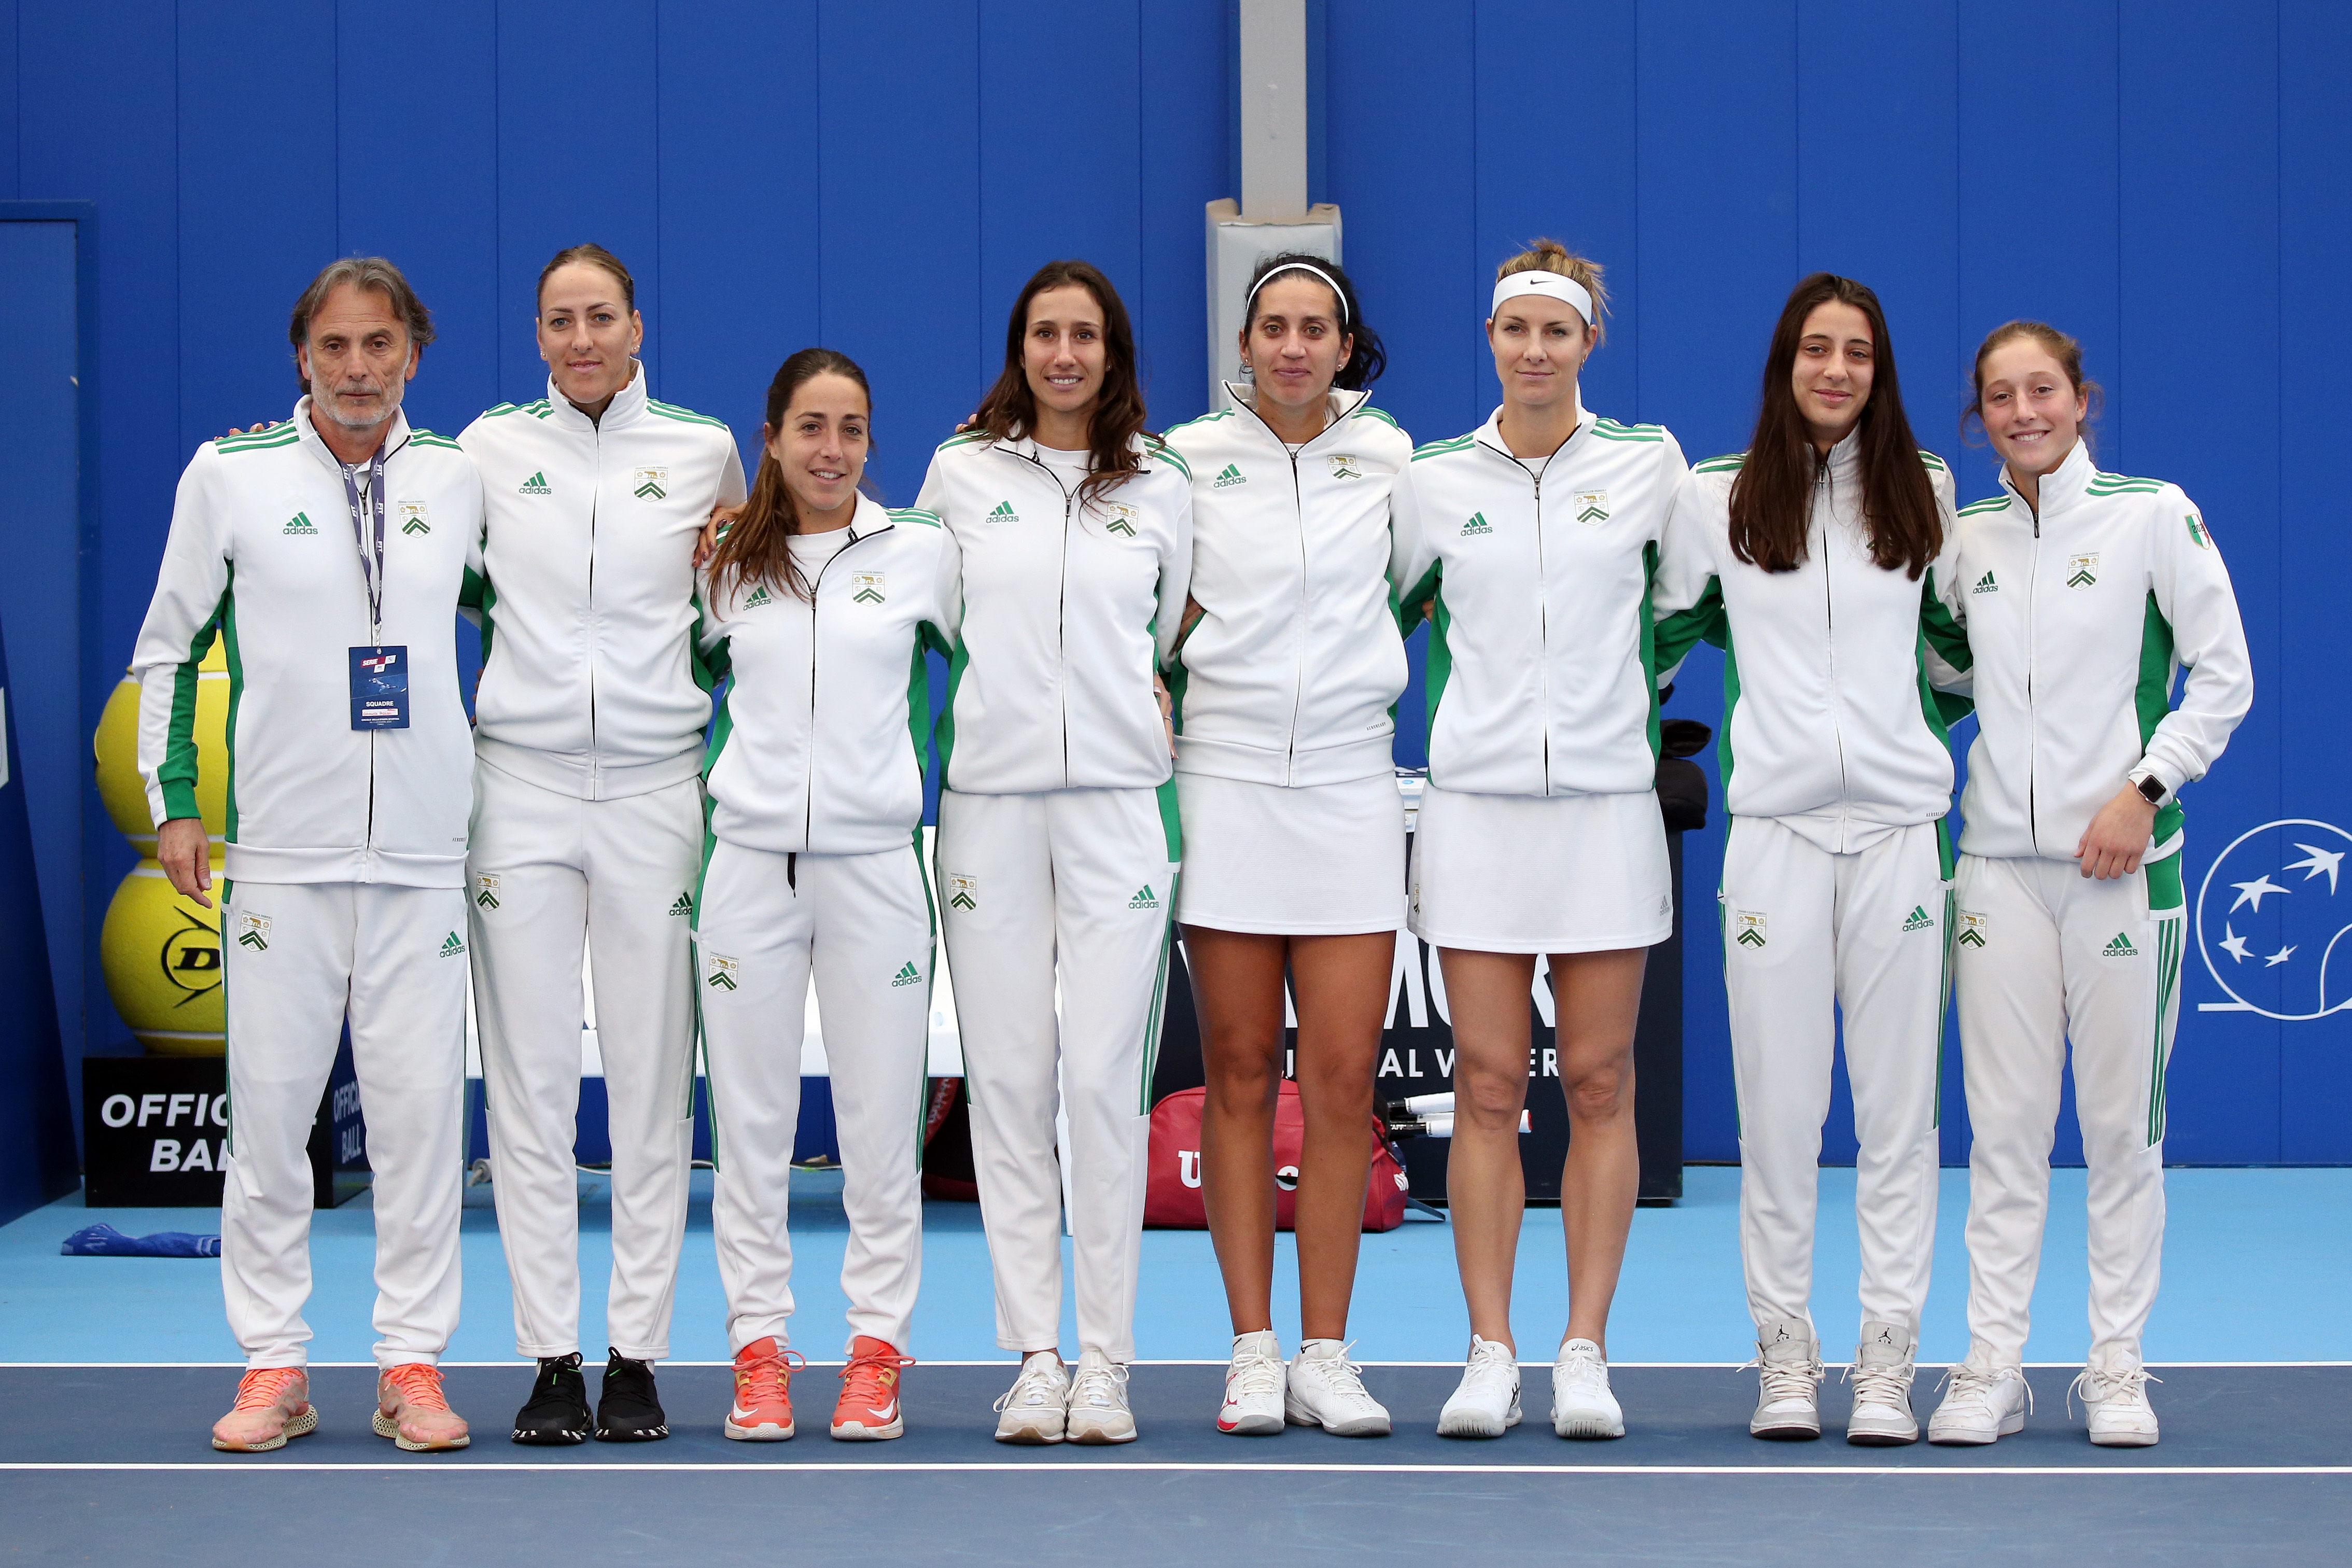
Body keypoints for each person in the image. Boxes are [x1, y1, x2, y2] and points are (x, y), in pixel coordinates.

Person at [135, 257, 483, 1453]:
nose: (356, 368)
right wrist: (174, 798)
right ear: (302, 357)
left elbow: (560, 613)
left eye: (378, 344)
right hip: (279, 853)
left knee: (421, 1124)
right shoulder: (227, 476)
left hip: (426, 856)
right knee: (272, 1120)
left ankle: (412, 1366)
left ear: (412, 356)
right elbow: (168, 644)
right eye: (334, 346)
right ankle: (274, 1366)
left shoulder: (459, 479)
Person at [1652, 272, 1967, 1445]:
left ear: (1881, 375)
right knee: (1780, 1118)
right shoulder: (1716, 499)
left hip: (1898, 840)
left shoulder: (1924, 492)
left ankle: (1887, 1362)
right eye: (1817, 350)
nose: (1837, 371)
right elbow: (1653, 640)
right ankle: (1786, 1355)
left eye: (1861, 355)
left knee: (1898, 1119)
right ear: (1785, 362)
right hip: (1776, 842)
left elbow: (1961, 655)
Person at [1926, 323, 2250, 1448]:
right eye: (2002, 397)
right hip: (1996, 877)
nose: (2025, 412)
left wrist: (2144, 788)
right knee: (2004, 1133)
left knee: (2120, 1131)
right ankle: (1992, 1367)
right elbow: (1938, 675)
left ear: (2080, 399)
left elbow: (2225, 674)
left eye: (2044, 391)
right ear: (1980, 417)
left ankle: (2116, 1366)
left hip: (2124, 874)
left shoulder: (2152, 516)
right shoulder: (1962, 540)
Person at [1394, 242, 1692, 1441]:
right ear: (1490, 339)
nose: (1534, 350)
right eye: (1515, 329)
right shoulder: (1429, 480)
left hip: (1608, 819)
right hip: (1476, 817)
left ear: (1588, 346)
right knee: (1482, 1086)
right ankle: (1490, 1352)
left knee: (1602, 1083)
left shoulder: (1648, 466)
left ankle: (1584, 1351)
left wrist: (1614, 715)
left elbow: (1682, 609)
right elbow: (1377, 616)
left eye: (1556, 332)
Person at [457, 244, 747, 1444]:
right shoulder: (482, 454)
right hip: (515, 789)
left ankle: (636, 1354)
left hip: (654, 791)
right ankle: (550, 1359)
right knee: (524, 1086)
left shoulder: (703, 449)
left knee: (648, 1081)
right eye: (560, 321)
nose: (582, 339)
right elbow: (438, 574)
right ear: (537, 337)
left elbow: (734, 618)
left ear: (638, 325)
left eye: (601, 317)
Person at [915, 260, 1192, 1445]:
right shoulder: (961, 471)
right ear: (1019, 348)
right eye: (1045, 334)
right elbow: (916, 614)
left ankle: (1109, 1362)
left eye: (1085, 335)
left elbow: (1177, 627)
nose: (1064, 354)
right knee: (1012, 1085)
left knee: (1098, 1086)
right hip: (988, 807)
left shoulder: (1164, 483)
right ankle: (1035, 1354)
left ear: (1113, 350)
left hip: (1123, 811)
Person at [1160, 254, 1411, 1438]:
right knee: (1244, 1071)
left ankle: (1327, 1353)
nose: (1295, 347)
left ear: (1345, 345)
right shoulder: (1183, 460)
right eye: (1275, 327)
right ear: (1246, 342)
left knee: (1346, 1083)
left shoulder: (1396, 460)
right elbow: (1147, 595)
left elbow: (1410, 591)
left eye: (1317, 328)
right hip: (1228, 780)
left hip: (1354, 786)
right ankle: (1251, 1351)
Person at [693, 348, 956, 1441]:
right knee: (749, 1131)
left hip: (877, 871)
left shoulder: (923, 557)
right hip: (749, 870)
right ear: (772, 438)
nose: (831, 448)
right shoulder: (718, 569)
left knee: (879, 1130)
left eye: (850, 428)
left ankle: (875, 1353)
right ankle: (760, 1351)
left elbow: (1013, 662)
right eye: (810, 426)